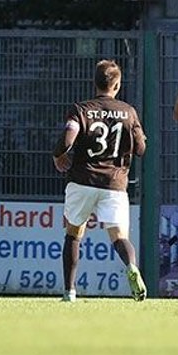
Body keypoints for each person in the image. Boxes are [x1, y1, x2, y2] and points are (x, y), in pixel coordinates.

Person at [52, 59, 148, 302]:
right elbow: (140, 149)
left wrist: (58, 156)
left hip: (82, 181)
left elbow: (67, 139)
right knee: (119, 237)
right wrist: (138, 136)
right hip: (114, 184)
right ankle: (131, 267)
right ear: (116, 85)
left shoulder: (81, 109)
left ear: (95, 83)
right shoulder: (129, 111)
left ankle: (69, 292)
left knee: (73, 235)